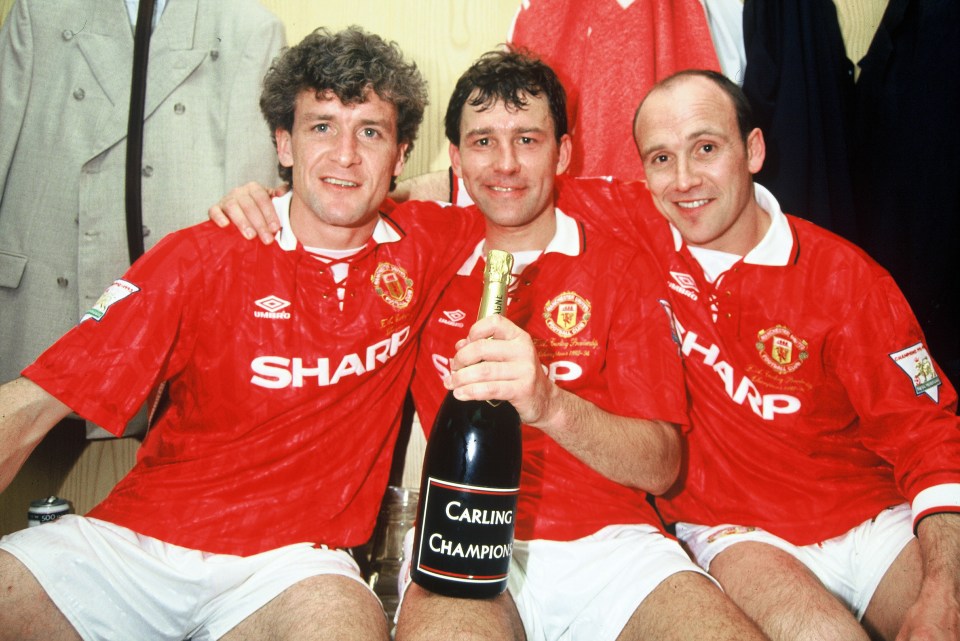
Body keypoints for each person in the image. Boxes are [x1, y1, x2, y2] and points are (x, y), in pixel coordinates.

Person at [211, 50, 770, 641]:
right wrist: (261, 202)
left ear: (564, 153)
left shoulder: (621, 265)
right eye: (482, 142)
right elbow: (330, 208)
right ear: (455, 158)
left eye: (528, 139)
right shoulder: (413, 255)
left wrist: (551, 403)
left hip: (611, 546)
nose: (505, 164)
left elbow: (661, 467)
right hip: (458, 533)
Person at [0, 26, 484, 641]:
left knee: (343, 627)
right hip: (140, 545)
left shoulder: (428, 245)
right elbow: (30, 406)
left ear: (399, 151)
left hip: (295, 567)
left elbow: (520, 189)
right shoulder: (202, 254)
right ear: (283, 143)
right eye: (320, 127)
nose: (344, 154)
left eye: (370, 131)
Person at [553, 70, 960, 641]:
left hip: (870, 517)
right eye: (661, 159)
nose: (685, 180)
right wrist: (414, 190)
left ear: (753, 149)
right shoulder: (636, 227)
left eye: (706, 148)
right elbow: (509, 180)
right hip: (735, 529)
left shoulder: (847, 279)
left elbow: (931, 435)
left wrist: (946, 588)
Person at [0, 0, 285, 438]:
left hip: (167, 320)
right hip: (45, 307)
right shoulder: (41, 12)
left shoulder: (248, 28)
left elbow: (249, 211)